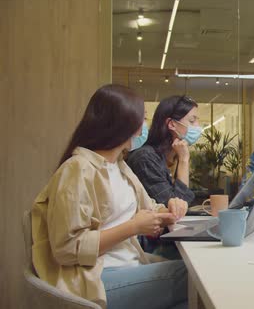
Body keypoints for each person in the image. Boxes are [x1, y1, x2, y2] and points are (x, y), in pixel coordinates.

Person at [31, 85, 188, 308]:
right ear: (122, 123)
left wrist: (168, 209)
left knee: (192, 284)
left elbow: (150, 207)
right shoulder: (77, 169)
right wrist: (133, 227)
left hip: (128, 265)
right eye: (141, 120)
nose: (144, 128)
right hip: (95, 278)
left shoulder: (120, 166)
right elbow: (66, 249)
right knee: (193, 274)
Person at [128, 95, 201, 206]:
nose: (198, 127)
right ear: (172, 124)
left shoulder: (175, 155)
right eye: (192, 121)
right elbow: (175, 206)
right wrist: (184, 161)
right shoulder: (145, 158)